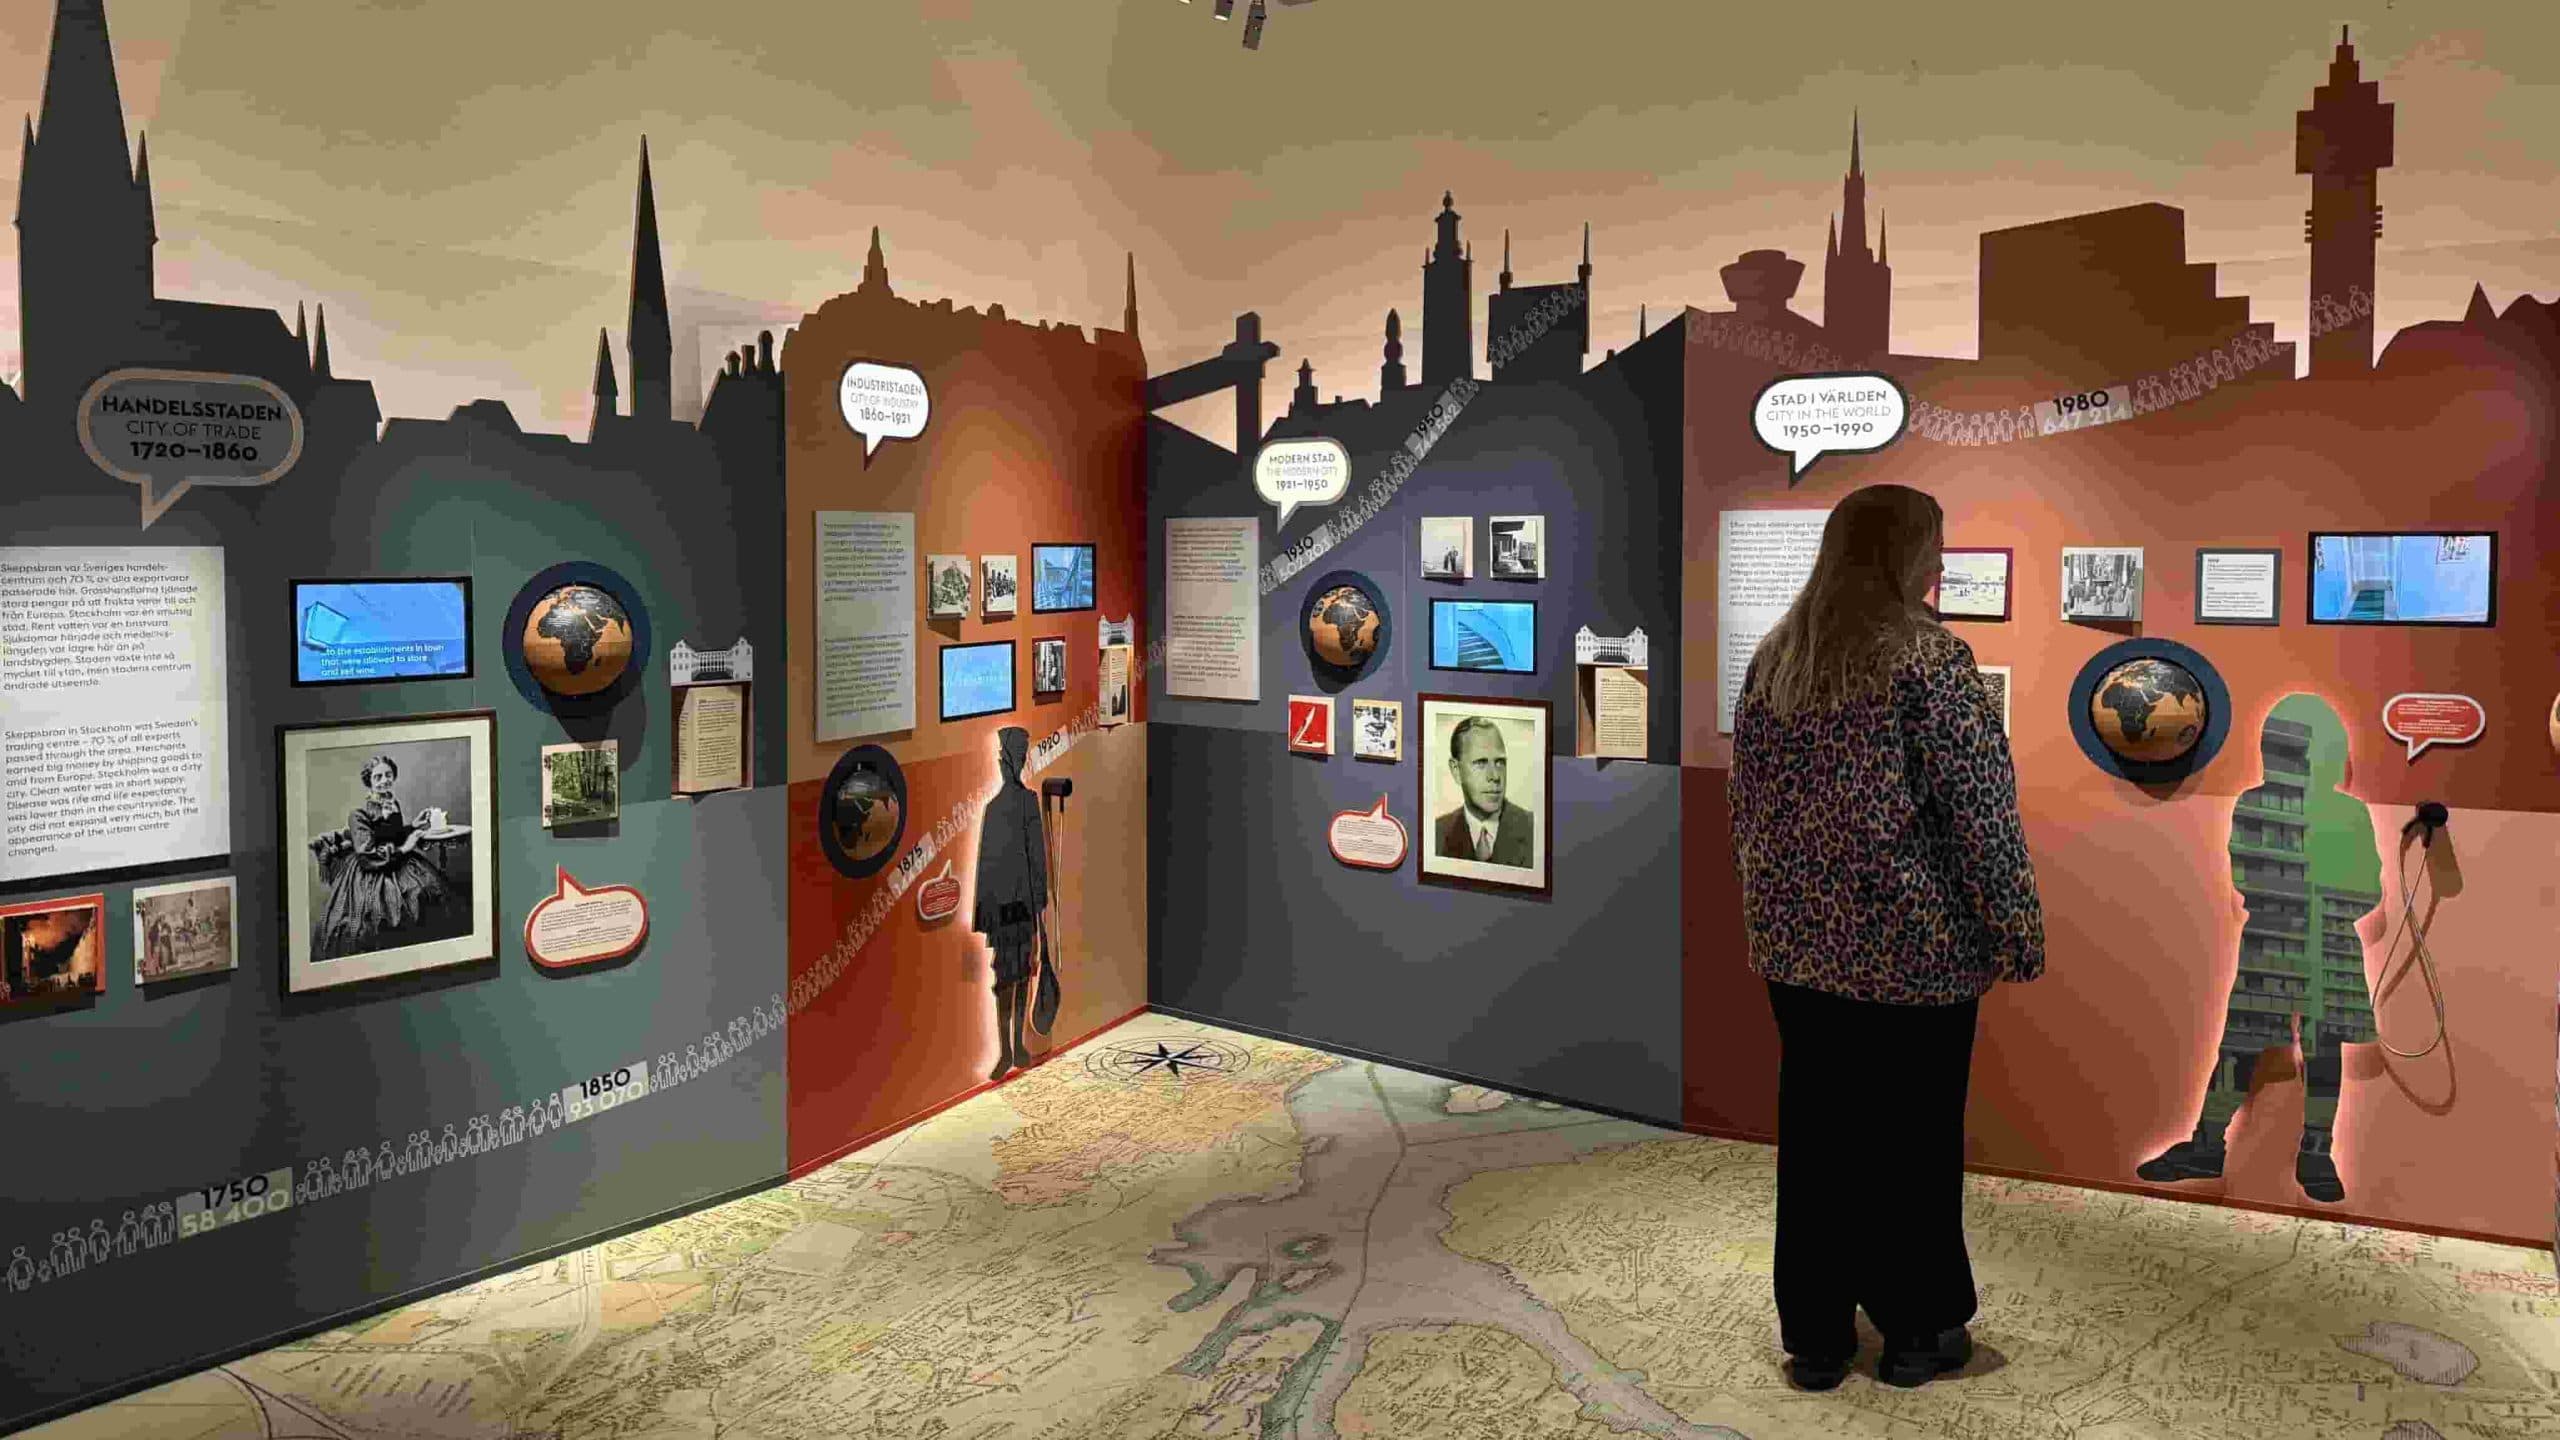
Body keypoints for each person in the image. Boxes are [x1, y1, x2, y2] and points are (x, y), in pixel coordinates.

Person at [1727, 483, 2044, 1393]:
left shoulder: (1780, 655)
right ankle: (1916, 1328)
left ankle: (1816, 1335)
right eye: (1934, 545)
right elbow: (1979, 810)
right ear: (1904, 553)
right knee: (1912, 1143)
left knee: (1820, 1138)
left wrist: (1774, 917)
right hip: (1914, 951)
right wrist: (2017, 926)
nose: (1940, 562)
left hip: (1799, 952)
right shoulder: (1929, 658)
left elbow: (1746, 805)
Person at [2137, 694, 2376, 1203]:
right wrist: (2319, 891)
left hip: (2317, 940)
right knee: (2242, 1045)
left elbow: (2367, 888)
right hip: (2277, 940)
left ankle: (2315, 1151)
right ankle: (2208, 1145)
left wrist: (2305, 893)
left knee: (2322, 1045)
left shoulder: (2347, 814)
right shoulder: (2258, 804)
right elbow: (2250, 877)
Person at [309, 754, 453, 961]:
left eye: (388, 775)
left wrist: (413, 826)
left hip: (398, 862)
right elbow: (366, 854)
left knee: (427, 892)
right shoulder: (358, 814)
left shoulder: (392, 803)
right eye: (378, 777)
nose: (384, 780)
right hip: (371, 870)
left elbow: (392, 835)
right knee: (382, 917)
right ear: (369, 781)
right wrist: (405, 848)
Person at [971, 727, 1047, 1081]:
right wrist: (985, 915)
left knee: (1019, 975)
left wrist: (1038, 908)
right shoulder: (994, 809)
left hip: (1021, 908)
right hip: (1004, 912)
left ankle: (1016, 1046)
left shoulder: (1027, 803)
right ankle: (1007, 1049)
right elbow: (986, 868)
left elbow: (1037, 859)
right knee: (1005, 978)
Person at [1434, 717, 1532, 865]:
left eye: (1499, 762)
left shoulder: (1534, 829)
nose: (1495, 776)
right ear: (1456, 770)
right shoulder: (1436, 833)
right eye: (1481, 763)